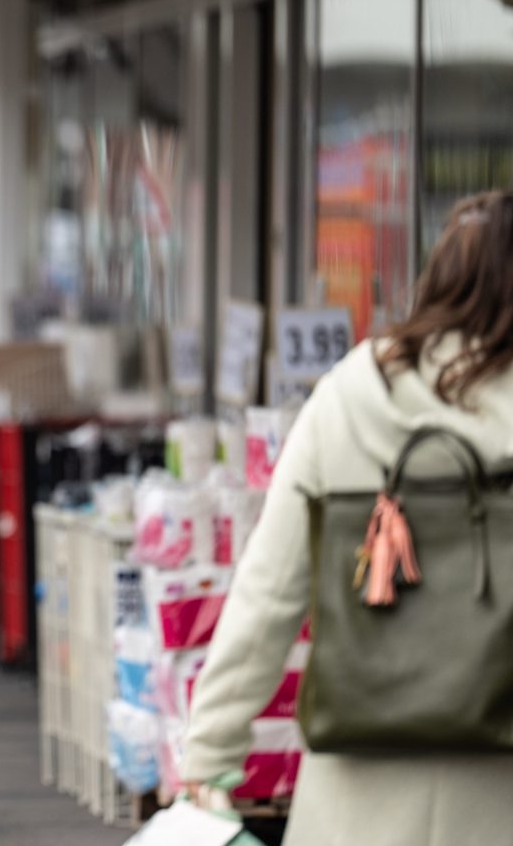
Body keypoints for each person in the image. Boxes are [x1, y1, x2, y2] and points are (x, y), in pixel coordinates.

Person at [182, 190, 513, 845]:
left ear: (436, 276)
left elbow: (267, 592)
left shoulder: (347, 394)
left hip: (356, 792)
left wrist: (209, 751)